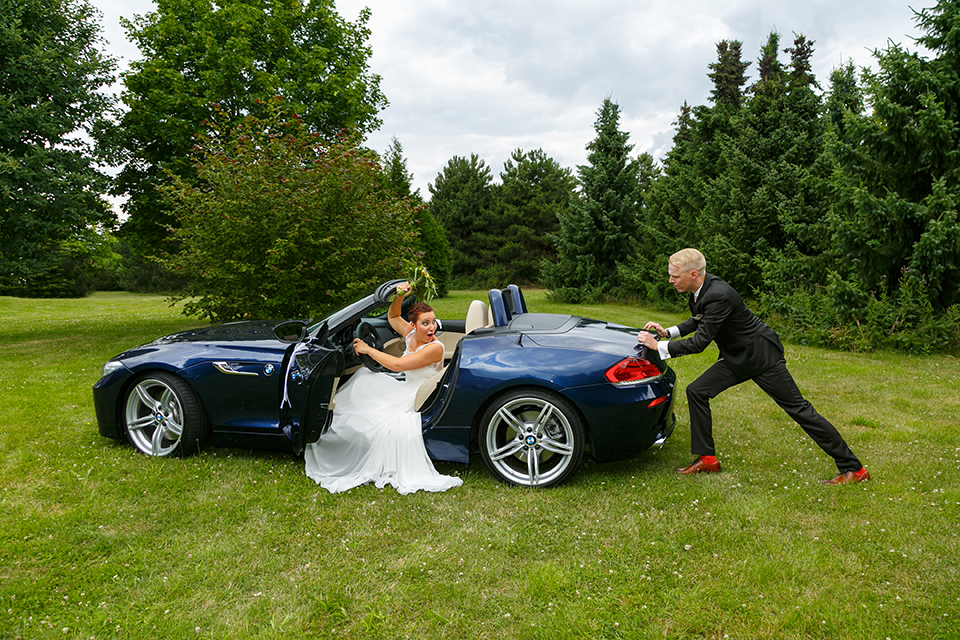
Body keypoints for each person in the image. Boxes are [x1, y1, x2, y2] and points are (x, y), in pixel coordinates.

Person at [637, 248, 869, 485]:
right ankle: (707, 460)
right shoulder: (702, 289)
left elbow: (699, 343)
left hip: (761, 358)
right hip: (737, 358)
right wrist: (670, 332)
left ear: (693, 274)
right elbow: (699, 319)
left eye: (674, 276)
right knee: (697, 391)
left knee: (800, 410)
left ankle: (854, 470)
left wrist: (659, 346)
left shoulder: (718, 294)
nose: (670, 280)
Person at [304, 282, 463, 494]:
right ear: (413, 325)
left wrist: (368, 349)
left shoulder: (434, 347)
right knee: (362, 377)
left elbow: (397, 365)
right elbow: (393, 317)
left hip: (418, 396)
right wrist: (399, 296)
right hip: (406, 388)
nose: (432, 328)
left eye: (433, 322)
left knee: (366, 399)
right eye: (426, 323)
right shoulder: (410, 335)